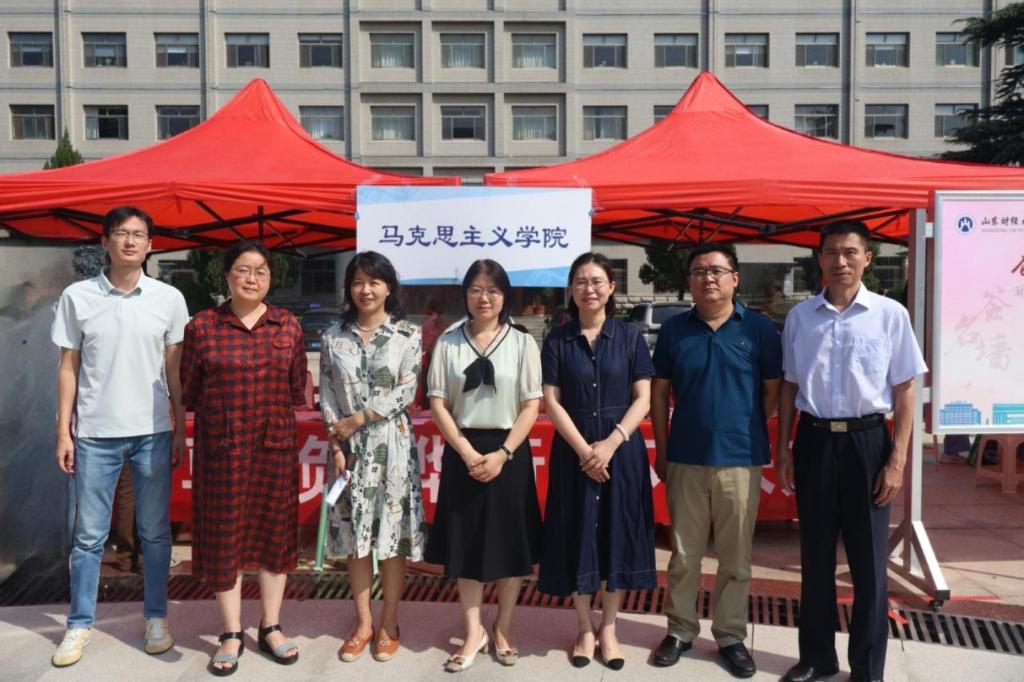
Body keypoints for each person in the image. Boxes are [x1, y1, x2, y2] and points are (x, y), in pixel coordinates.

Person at [775, 220, 926, 682]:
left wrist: (897, 460)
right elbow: (789, 386)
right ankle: (817, 658)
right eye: (831, 252)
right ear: (819, 259)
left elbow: (905, 390)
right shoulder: (801, 317)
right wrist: (784, 448)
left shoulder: (890, 315)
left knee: (869, 563)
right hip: (815, 440)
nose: (840, 261)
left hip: (868, 443)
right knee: (815, 557)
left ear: (867, 258)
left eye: (850, 252)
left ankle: (867, 668)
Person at [50, 206, 189, 667]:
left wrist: (180, 425)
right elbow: (68, 368)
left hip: (153, 432)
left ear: (151, 245)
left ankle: (156, 618)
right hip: (94, 433)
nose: (130, 241)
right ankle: (78, 624)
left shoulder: (168, 298)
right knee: (89, 537)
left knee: (155, 535)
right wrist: (63, 430)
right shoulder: (77, 296)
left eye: (138, 234)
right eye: (121, 233)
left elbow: (174, 369)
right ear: (105, 241)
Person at [650, 243, 782, 679]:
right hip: (685, 457)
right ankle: (680, 630)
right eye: (698, 271)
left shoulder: (759, 329)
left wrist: (742, 426)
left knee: (736, 557)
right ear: (689, 281)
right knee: (683, 555)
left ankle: (730, 636)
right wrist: (663, 452)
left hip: (740, 459)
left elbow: (772, 391)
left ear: (735, 279)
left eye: (716, 270)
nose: (707, 278)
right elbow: (659, 394)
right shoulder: (675, 330)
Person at [180, 241, 307, 676]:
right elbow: (190, 388)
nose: (252, 278)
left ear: (271, 279)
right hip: (222, 451)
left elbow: (296, 387)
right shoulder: (202, 326)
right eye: (243, 269)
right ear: (226, 275)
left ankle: (270, 625)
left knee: (275, 536)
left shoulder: (287, 325)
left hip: (274, 449)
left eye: (261, 271)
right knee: (224, 538)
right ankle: (231, 631)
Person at [424, 258, 543, 672]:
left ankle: (504, 627)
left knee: (511, 544)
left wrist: (503, 453)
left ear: (505, 295)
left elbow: (531, 405)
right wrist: (466, 451)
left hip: (509, 451)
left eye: (493, 290)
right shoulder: (448, 342)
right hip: (464, 451)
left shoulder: (523, 343)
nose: (484, 298)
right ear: (466, 295)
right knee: (467, 545)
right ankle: (473, 631)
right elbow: (438, 402)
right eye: (476, 289)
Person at [539, 252, 655, 671]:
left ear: (611, 287)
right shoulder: (557, 340)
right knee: (578, 534)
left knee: (615, 533)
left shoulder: (630, 336)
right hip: (574, 454)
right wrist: (586, 450)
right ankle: (584, 627)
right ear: (571, 289)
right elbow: (552, 402)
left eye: (596, 281)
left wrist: (610, 443)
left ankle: (609, 627)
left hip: (621, 452)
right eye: (580, 281)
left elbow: (643, 397)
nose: (589, 289)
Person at [319, 251, 426, 663]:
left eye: (374, 282)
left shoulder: (408, 334)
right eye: (358, 282)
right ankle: (363, 623)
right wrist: (336, 444)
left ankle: (390, 622)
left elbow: (406, 390)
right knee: (356, 540)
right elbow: (328, 393)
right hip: (348, 452)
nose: (366, 290)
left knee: (392, 540)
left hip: (392, 446)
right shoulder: (333, 337)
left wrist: (357, 420)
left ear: (388, 287)